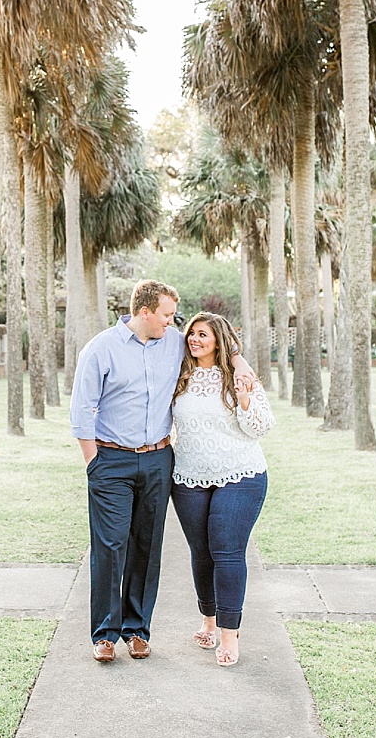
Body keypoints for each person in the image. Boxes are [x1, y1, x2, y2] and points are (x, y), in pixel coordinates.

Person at [70, 280, 255, 662]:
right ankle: (104, 634)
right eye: (168, 315)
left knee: (147, 545)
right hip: (111, 460)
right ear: (145, 312)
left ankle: (137, 630)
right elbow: (81, 412)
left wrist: (239, 360)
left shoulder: (173, 344)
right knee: (110, 545)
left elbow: (216, 342)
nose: (174, 323)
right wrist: (95, 463)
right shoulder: (100, 349)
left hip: (158, 460)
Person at [169, 311, 274, 667]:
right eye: (192, 334)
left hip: (240, 475)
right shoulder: (179, 375)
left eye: (203, 335)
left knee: (226, 551)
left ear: (219, 341)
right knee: (201, 552)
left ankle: (230, 634)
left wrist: (244, 400)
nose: (195, 340)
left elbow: (261, 426)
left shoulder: (239, 376)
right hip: (189, 478)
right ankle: (208, 621)